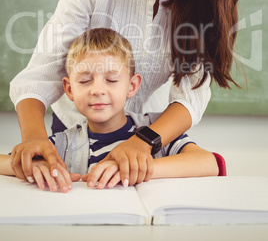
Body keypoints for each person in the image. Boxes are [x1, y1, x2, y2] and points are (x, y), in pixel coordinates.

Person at [9, 0, 249, 188]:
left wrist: (144, 141)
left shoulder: (208, 2)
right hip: (77, 126)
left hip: (155, 132)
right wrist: (33, 139)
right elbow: (43, 72)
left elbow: (191, 95)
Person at [1, 29, 219, 192]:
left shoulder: (153, 130)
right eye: (85, 81)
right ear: (69, 89)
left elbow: (209, 163)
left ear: (132, 86)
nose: (97, 90)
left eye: (111, 80)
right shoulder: (63, 144)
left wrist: (141, 168)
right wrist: (31, 164)